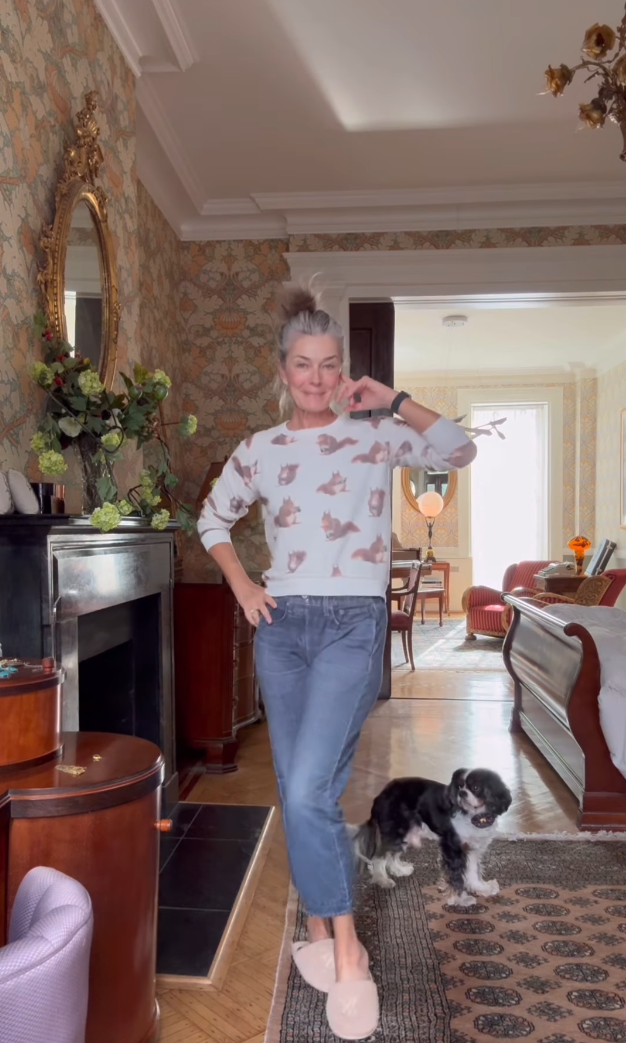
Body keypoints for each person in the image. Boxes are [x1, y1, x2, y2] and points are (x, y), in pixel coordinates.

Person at [198, 286, 476, 1039]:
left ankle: (347, 952)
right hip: (284, 628)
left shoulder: (374, 431)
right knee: (299, 789)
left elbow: (459, 448)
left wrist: (396, 398)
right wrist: (244, 584)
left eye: (329, 365)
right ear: (281, 371)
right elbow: (211, 517)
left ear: (342, 370)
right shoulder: (259, 447)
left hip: (352, 626)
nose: (317, 378)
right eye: (302, 365)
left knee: (310, 788)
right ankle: (319, 934)